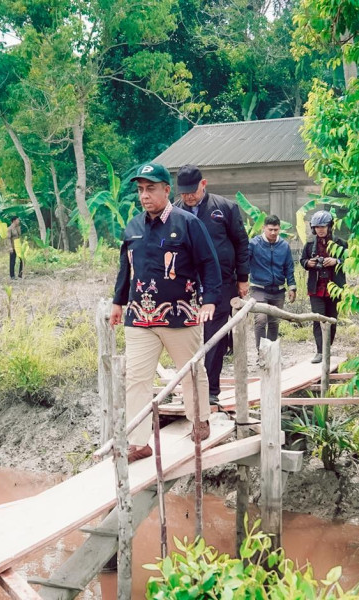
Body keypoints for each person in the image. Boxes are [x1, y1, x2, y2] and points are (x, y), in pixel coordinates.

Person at [111, 162, 222, 463]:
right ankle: (138, 441)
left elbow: (209, 264)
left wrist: (210, 299)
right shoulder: (132, 227)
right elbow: (126, 268)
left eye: (151, 189)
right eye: (140, 190)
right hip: (139, 317)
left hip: (180, 316)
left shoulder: (187, 223)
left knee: (190, 371)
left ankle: (199, 419)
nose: (144, 196)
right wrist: (117, 302)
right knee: (136, 378)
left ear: (166, 190)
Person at [175, 164, 250, 405]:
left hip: (221, 283)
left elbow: (241, 243)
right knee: (187, 336)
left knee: (214, 336)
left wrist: (243, 278)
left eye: (193, 191)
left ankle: (211, 391)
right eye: (183, 192)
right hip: (187, 286)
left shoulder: (225, 208)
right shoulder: (175, 212)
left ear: (203, 184)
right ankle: (190, 388)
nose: (188, 197)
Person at [300, 210, 347, 363]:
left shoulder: (341, 243)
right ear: (313, 229)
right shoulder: (309, 245)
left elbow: (349, 260)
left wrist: (336, 261)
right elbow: (302, 261)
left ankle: (327, 348)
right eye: (317, 227)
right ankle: (320, 351)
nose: (320, 230)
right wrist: (309, 263)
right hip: (316, 288)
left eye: (323, 226)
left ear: (329, 226)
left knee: (332, 319)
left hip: (335, 287)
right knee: (318, 319)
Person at [248, 215, 296, 349]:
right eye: (270, 229)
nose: (273, 232)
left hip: (278, 290)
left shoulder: (284, 246)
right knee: (261, 320)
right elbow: (243, 263)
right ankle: (261, 353)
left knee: (274, 322)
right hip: (259, 289)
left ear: (280, 228)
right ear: (264, 228)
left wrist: (292, 287)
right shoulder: (253, 244)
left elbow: (289, 267)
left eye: (276, 229)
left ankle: (270, 353)